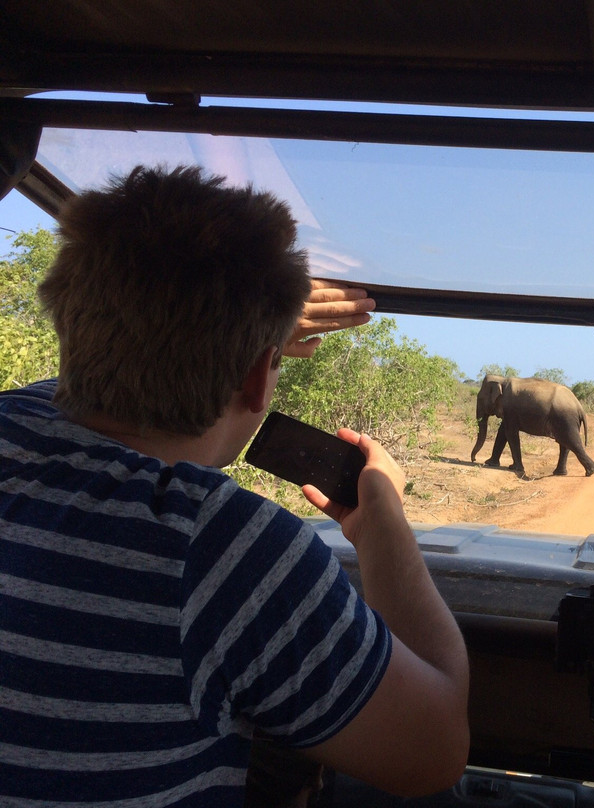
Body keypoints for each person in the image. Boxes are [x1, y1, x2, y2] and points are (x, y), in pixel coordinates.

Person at [0, 165, 470, 806]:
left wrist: (251, 338)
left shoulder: (11, 422)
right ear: (257, 379)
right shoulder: (223, 548)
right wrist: (382, 522)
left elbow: (88, 376)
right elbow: (435, 752)